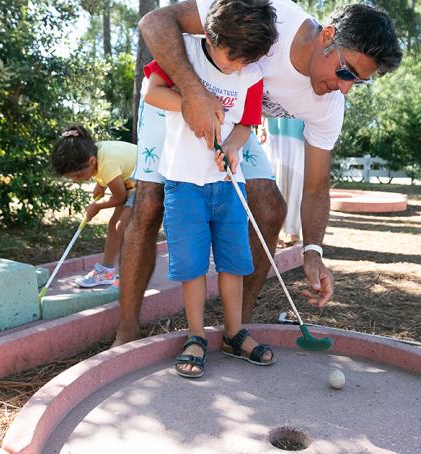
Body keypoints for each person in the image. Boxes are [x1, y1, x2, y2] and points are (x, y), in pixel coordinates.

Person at [113, 0, 402, 347]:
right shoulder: (266, 12)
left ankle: (236, 329)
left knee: (269, 208)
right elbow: (155, 21)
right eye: (346, 72)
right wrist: (193, 93)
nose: (345, 88)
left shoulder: (329, 106)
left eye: (358, 82)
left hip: (236, 123)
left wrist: (313, 251)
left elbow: (315, 186)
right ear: (328, 36)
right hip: (176, 97)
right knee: (148, 203)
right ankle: (126, 330)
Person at [141, 0, 277, 378]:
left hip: (228, 184)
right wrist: (195, 100)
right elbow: (152, 92)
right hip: (184, 182)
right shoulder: (184, 53)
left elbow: (247, 122)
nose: (238, 66)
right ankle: (197, 336)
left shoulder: (251, 72)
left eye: (247, 60)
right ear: (211, 36)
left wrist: (232, 146)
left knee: (233, 261)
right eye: (232, 57)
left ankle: (233, 333)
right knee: (193, 264)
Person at [49, 126, 136, 288]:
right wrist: (101, 185)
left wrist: (98, 206)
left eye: (78, 175)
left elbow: (120, 197)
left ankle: (135, 271)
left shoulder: (106, 163)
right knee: (115, 226)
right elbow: (111, 170)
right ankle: (106, 271)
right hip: (131, 183)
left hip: (149, 183)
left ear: (91, 161)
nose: (77, 179)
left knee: (122, 226)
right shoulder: (96, 152)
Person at [263, 116, 306, 245]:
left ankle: (294, 232)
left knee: (296, 181)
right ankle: (273, 233)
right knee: (275, 180)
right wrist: (262, 126)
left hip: (299, 127)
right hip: (274, 128)